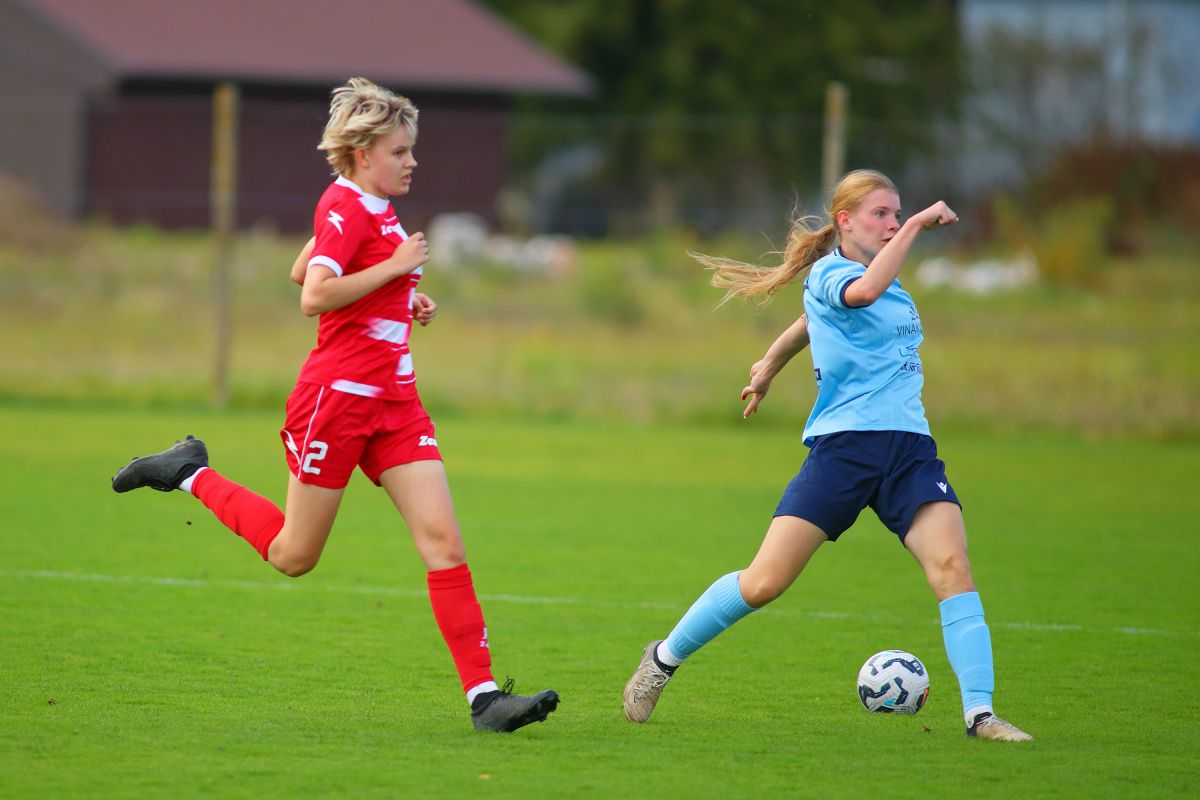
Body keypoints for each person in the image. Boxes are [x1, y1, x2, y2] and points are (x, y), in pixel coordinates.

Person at [112, 77, 558, 733]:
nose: (411, 161)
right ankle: (187, 472)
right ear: (362, 153)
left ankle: (485, 699)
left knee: (444, 542)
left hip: (396, 403)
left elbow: (306, 267)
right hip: (338, 401)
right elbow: (313, 294)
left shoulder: (372, 207)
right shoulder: (346, 205)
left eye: (411, 149)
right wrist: (395, 269)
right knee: (294, 555)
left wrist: (401, 296)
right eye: (399, 151)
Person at [621, 169, 1032, 741]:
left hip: (910, 451)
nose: (891, 224)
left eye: (897, 214)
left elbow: (807, 325)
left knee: (953, 569)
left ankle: (981, 715)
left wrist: (769, 365)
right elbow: (853, 297)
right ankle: (662, 659)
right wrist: (917, 226)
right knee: (764, 582)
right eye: (881, 214)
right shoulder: (831, 274)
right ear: (845, 221)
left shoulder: (889, 285)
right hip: (844, 452)